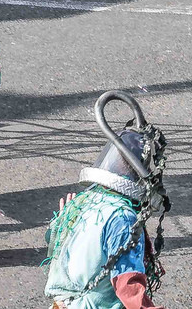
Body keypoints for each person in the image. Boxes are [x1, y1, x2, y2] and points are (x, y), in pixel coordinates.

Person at [43, 92, 169, 309]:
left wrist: (62, 223)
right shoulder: (124, 219)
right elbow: (128, 285)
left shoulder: (86, 201)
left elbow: (54, 246)